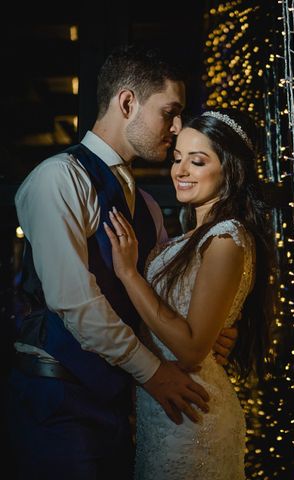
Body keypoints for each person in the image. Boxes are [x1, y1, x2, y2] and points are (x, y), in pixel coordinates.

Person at [7, 45, 238, 479]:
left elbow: (162, 296)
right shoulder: (58, 178)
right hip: (58, 402)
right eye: (169, 112)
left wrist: (209, 329)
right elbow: (74, 300)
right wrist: (153, 373)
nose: (176, 127)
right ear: (127, 102)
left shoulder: (147, 205)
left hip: (122, 405)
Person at [104, 108, 275, 479]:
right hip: (162, 412)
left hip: (194, 416)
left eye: (196, 162)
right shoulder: (184, 240)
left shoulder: (227, 238)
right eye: (177, 158)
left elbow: (194, 348)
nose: (180, 171)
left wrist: (128, 273)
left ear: (230, 169)